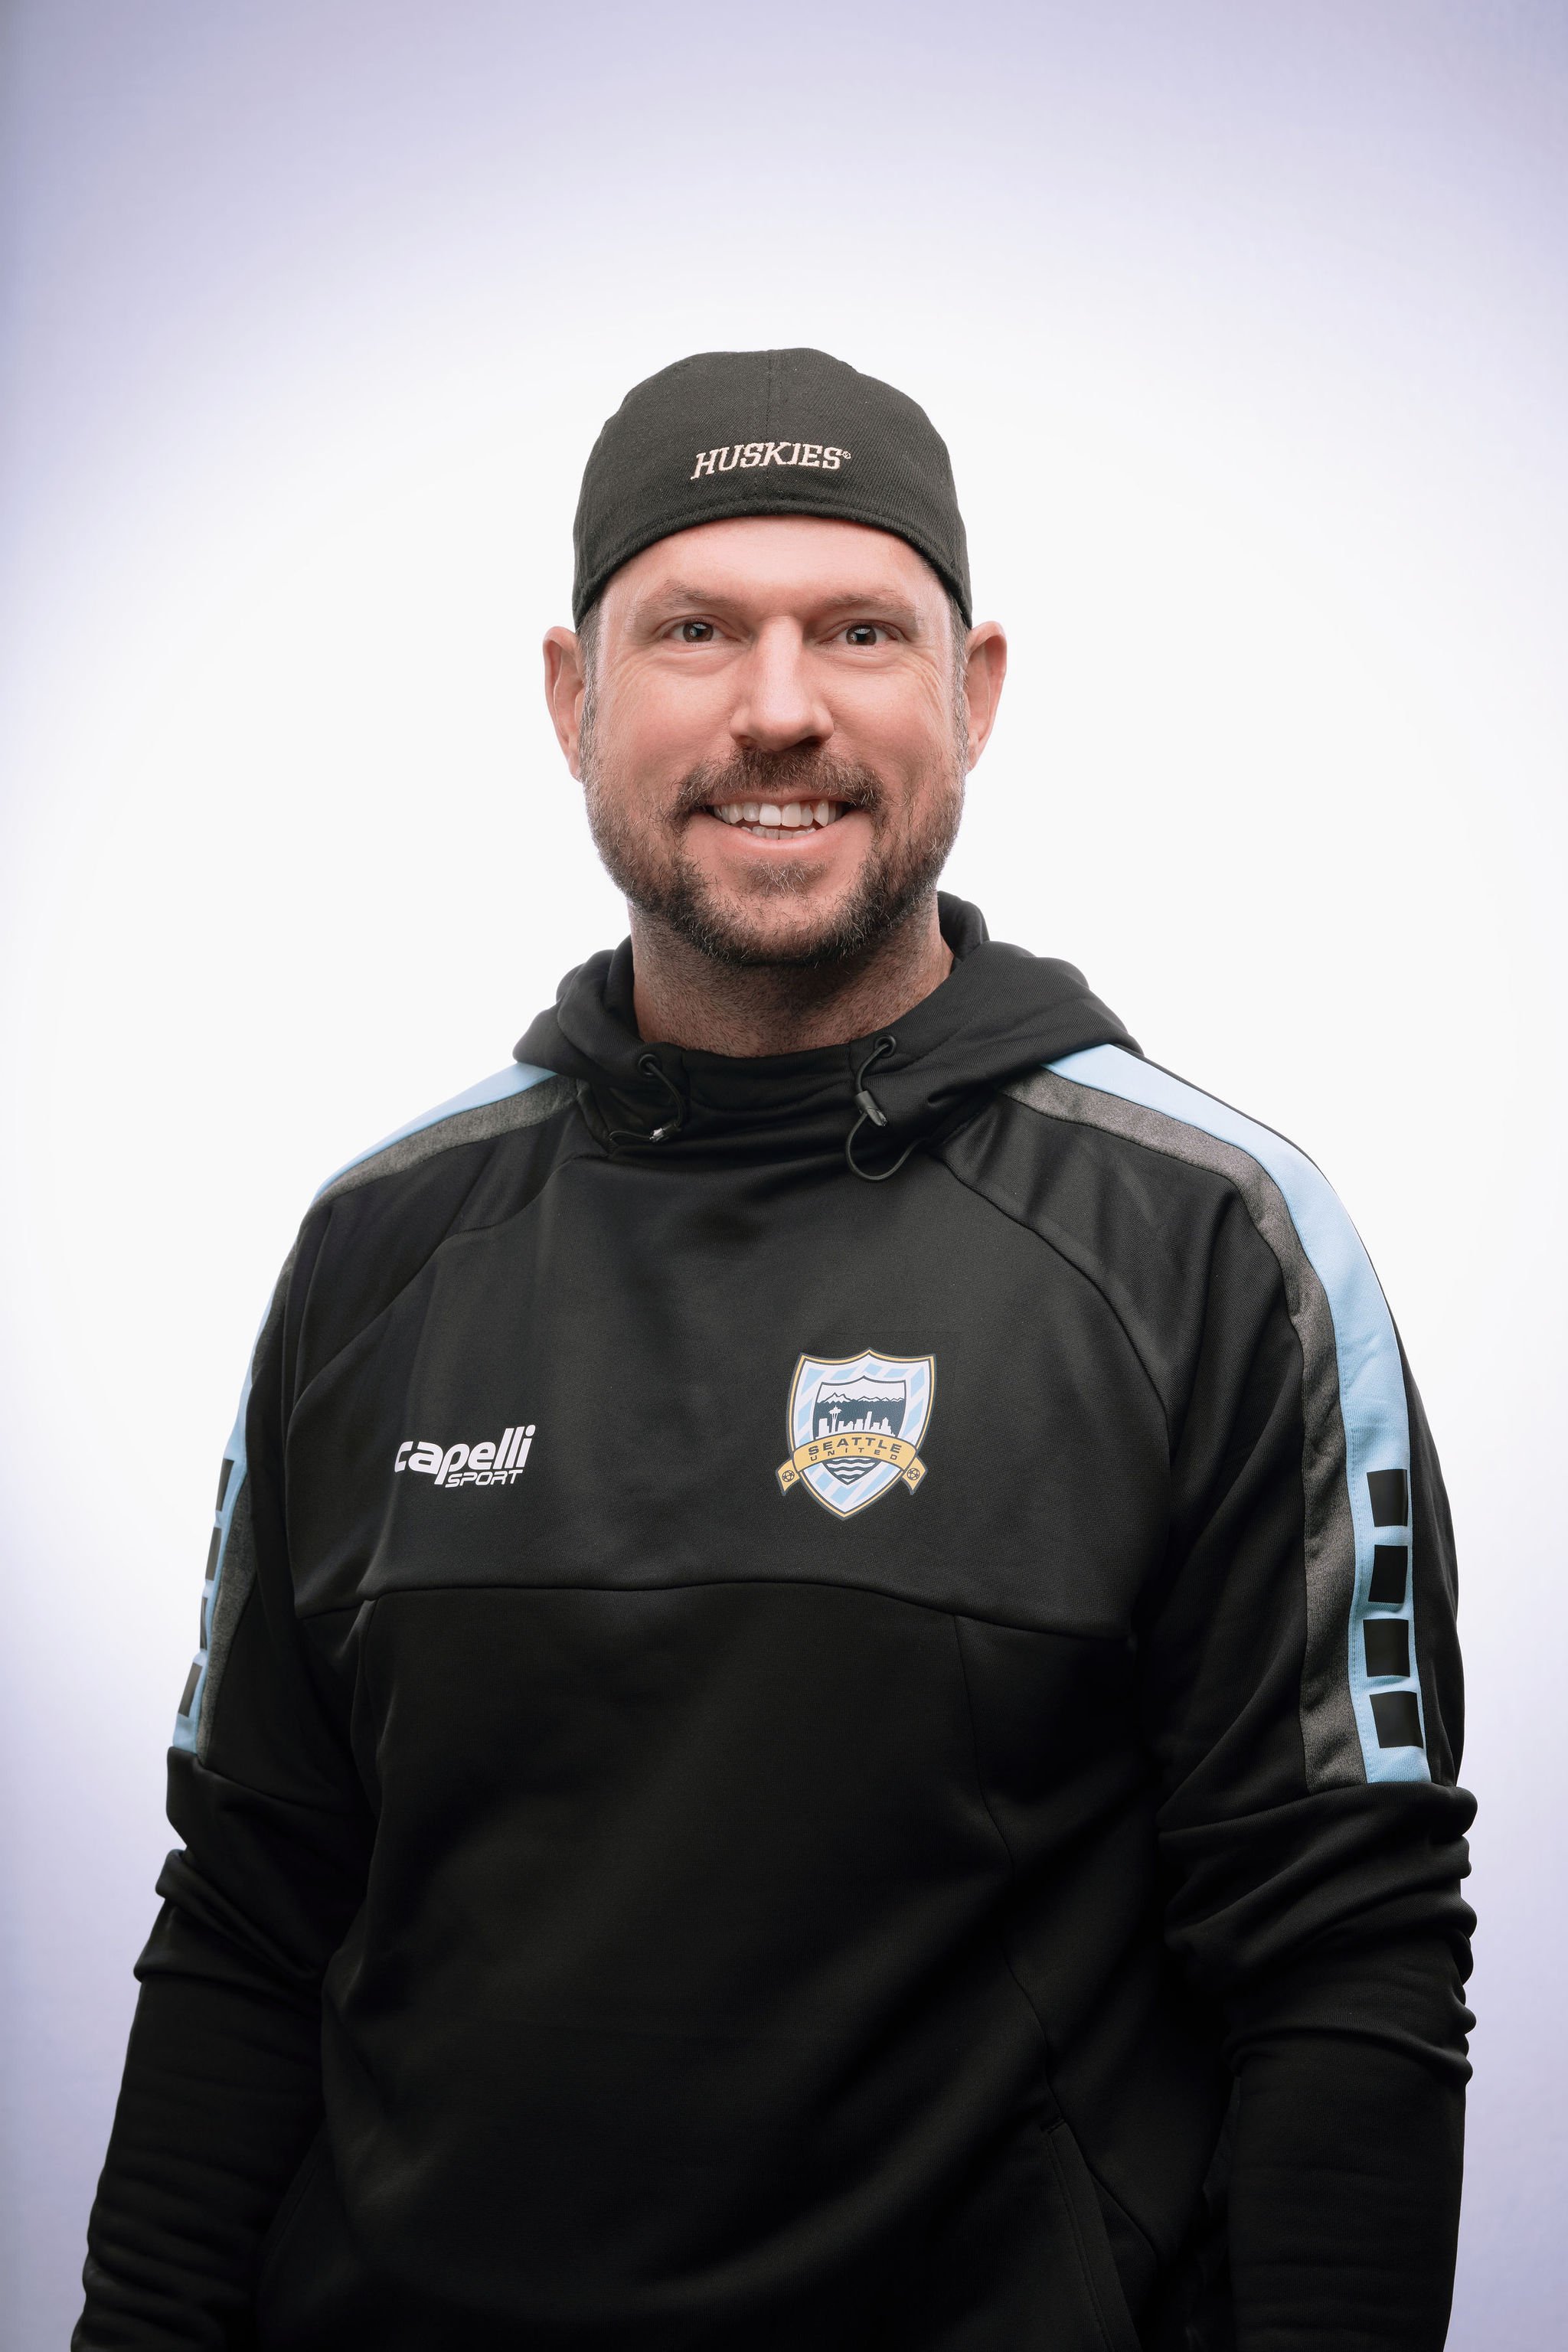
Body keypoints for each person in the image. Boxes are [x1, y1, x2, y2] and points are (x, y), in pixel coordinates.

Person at [77, 348, 1474, 2352]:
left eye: (860, 629)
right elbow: (248, 1915)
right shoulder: (378, 1250)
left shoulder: (1212, 1244)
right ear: (573, 697)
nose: (781, 705)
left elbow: (1349, 1961)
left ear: (974, 692)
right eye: (698, 629)